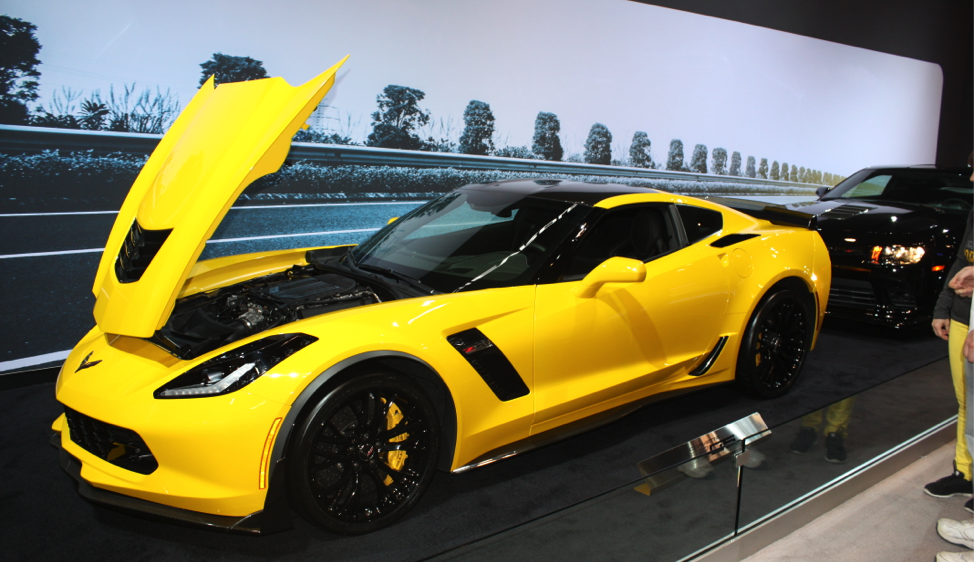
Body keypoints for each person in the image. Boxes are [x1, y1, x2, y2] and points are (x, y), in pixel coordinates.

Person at [932, 154, 974, 562]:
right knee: (967, 404)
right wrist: (943, 306)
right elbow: (965, 259)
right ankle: (966, 474)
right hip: (964, 317)